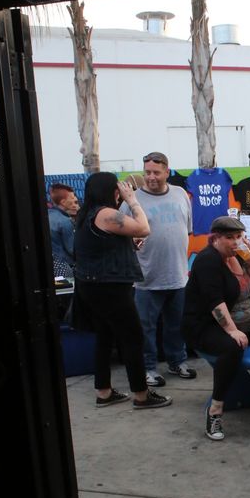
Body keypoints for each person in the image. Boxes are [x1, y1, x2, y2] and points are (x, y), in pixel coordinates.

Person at [183, 216, 250, 441]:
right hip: (206, 326)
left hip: (243, 322)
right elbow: (214, 303)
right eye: (230, 238)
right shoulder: (208, 261)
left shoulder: (239, 256)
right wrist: (232, 331)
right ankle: (215, 410)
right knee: (232, 347)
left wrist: (249, 259)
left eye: (239, 237)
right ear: (216, 238)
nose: (236, 242)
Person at [74, 171, 172, 410]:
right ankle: (141, 395)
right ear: (111, 191)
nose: (120, 194)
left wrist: (127, 244)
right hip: (110, 288)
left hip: (93, 286)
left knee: (105, 337)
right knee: (133, 338)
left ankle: (104, 392)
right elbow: (144, 228)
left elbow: (102, 246)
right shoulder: (106, 213)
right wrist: (133, 201)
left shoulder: (87, 214)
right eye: (118, 190)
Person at [120, 152, 196, 387]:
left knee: (176, 325)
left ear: (167, 172)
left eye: (156, 172)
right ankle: (148, 368)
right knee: (146, 328)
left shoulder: (180, 194)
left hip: (178, 275)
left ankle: (177, 361)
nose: (151, 177)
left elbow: (187, 230)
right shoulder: (131, 201)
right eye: (147, 172)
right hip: (146, 278)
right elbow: (120, 237)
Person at [48, 183, 80, 277]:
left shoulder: (47, 215)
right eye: (72, 198)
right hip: (63, 267)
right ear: (63, 202)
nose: (74, 199)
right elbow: (72, 249)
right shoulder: (65, 221)